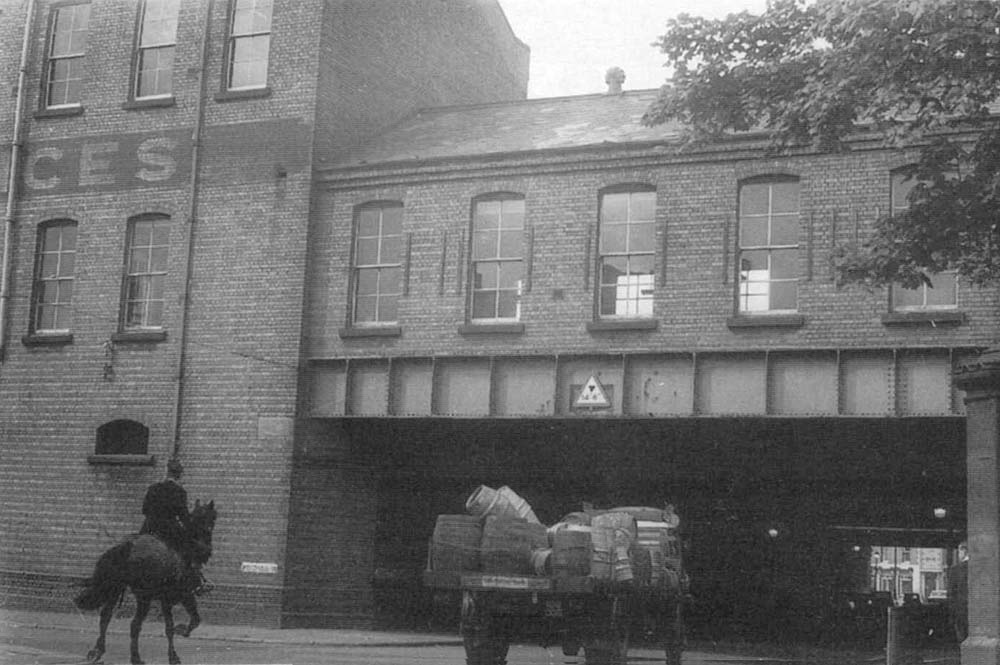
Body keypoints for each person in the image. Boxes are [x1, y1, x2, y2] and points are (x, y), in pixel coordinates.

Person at [140, 457, 203, 593]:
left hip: (148, 528)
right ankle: (194, 582)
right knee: (189, 549)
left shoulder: (153, 488)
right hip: (168, 530)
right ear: (179, 475)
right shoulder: (179, 492)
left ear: (167, 472)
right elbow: (184, 518)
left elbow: (144, 510)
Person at [948, 541, 969, 643]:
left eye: (959, 551)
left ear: (964, 551)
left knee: (962, 639)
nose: (958, 554)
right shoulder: (981, 569)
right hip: (978, 612)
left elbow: (951, 594)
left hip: (960, 612)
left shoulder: (955, 570)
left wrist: (951, 615)